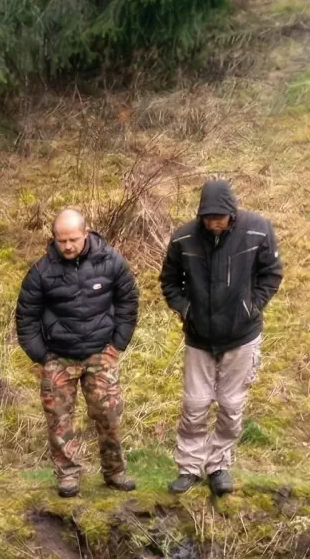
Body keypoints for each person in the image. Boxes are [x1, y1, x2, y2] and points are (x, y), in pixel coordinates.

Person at [160, 179, 284, 496]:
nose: (214, 222)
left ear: (232, 212)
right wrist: (186, 310)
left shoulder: (257, 230)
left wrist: (251, 306)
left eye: (220, 216)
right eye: (208, 216)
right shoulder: (184, 237)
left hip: (242, 336)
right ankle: (189, 468)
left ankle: (218, 466)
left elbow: (272, 273)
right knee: (195, 404)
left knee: (230, 406)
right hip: (198, 337)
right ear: (200, 214)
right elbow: (169, 281)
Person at [15, 208, 139, 497]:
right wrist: (42, 357)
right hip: (59, 356)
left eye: (73, 239)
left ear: (86, 234)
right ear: (54, 239)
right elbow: (25, 317)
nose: (68, 246)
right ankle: (68, 475)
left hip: (100, 353)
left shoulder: (111, 262)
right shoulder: (41, 272)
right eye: (61, 241)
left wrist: (117, 345)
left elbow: (128, 301)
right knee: (58, 419)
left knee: (108, 414)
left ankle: (115, 471)